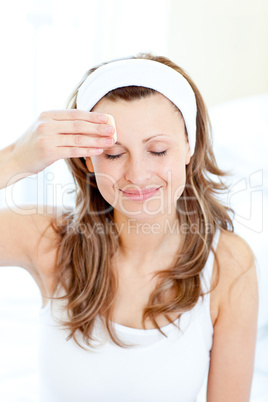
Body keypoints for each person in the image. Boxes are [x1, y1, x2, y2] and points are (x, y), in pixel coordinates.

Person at [0, 53, 258, 401]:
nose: (137, 175)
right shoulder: (50, 240)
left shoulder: (228, 264)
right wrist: (14, 158)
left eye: (157, 150)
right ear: (87, 160)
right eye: (114, 155)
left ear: (188, 146)